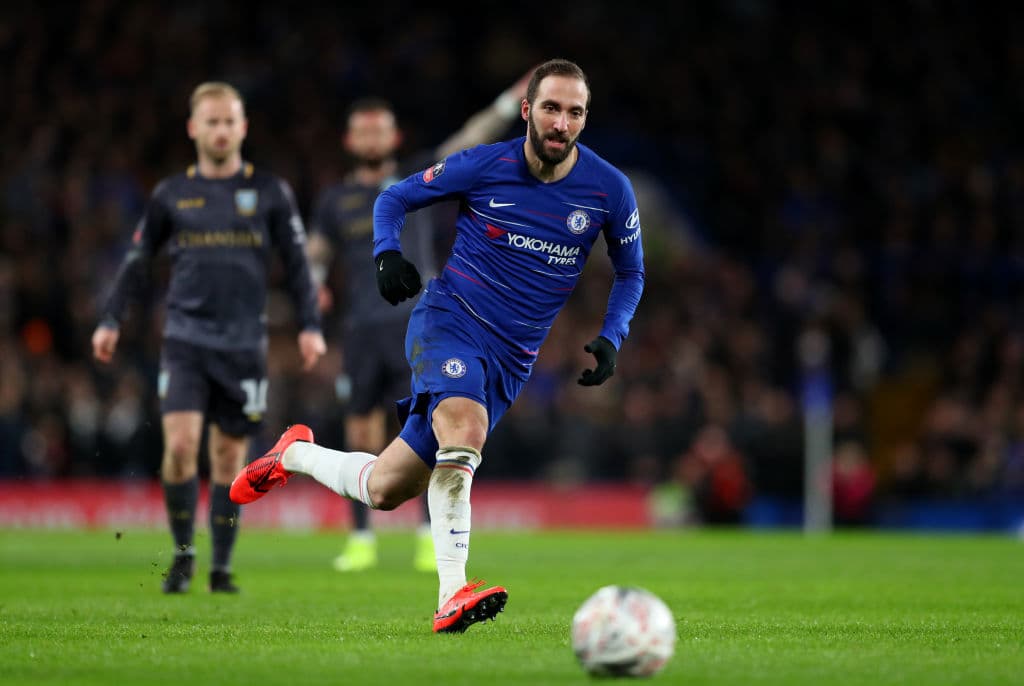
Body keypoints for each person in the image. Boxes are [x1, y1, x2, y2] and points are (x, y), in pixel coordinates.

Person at [231, 59, 644, 632]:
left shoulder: (608, 189)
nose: (561, 123)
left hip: (511, 360)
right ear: (528, 110)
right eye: (551, 108)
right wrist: (387, 253)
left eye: (575, 112)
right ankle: (452, 593)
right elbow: (392, 199)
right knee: (465, 431)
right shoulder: (485, 164)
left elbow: (631, 271)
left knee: (385, 488)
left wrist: (613, 335)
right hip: (450, 320)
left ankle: (294, 455)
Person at [92, 82, 326, 594]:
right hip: (186, 338)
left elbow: (297, 264)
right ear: (193, 128)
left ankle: (220, 565)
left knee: (227, 457)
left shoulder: (270, 192)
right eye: (211, 121)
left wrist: (310, 325)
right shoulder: (171, 194)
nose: (221, 130)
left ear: (243, 128)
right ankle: (184, 555)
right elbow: (138, 260)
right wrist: (112, 318)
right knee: (179, 448)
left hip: (243, 344)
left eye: (229, 121)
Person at [307, 74, 530, 573]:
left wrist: (511, 99)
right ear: (349, 140)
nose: (371, 139)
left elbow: (470, 137)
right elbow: (314, 255)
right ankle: (361, 538)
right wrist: (314, 285)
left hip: (421, 325)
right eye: (363, 131)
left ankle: (429, 535)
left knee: (431, 426)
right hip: (361, 329)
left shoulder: (419, 176)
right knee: (361, 428)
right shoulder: (334, 200)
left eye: (379, 130)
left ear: (395, 136)